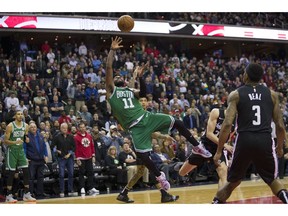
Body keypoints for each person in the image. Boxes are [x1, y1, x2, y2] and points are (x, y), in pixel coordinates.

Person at [212, 63, 288, 204]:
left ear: (246, 75)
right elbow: (280, 125)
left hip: (244, 139)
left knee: (233, 182)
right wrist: (280, 146)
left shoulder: (235, 94)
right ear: (261, 77)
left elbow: (227, 124)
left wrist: (219, 150)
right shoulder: (272, 95)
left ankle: (215, 204)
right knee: (273, 180)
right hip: (264, 139)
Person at [179, 107, 234, 189]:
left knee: (223, 174)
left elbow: (229, 137)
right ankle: (183, 166)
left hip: (218, 149)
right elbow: (209, 134)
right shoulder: (216, 112)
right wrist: (225, 145)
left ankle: (220, 200)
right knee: (182, 173)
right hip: (205, 147)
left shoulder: (236, 121)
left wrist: (228, 146)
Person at [4, 110, 36, 203]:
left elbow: (25, 137)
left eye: (21, 114)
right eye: (18, 114)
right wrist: (15, 142)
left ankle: (26, 194)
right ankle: (8, 195)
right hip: (12, 151)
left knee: (26, 171)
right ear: (15, 116)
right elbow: (5, 141)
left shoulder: (26, 126)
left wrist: (27, 140)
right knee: (11, 173)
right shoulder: (10, 126)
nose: (20, 115)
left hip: (21, 151)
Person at [24, 122, 49, 199]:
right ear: (29, 128)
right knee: (31, 178)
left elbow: (44, 146)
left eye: (34, 127)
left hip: (41, 159)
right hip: (32, 160)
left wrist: (46, 155)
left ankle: (40, 193)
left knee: (40, 177)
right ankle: (30, 193)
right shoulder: (27, 136)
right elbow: (24, 148)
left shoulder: (40, 135)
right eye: (31, 127)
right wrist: (25, 157)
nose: (33, 128)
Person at [51, 122, 77, 198]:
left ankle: (70, 190)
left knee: (71, 174)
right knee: (61, 174)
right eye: (63, 128)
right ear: (60, 129)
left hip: (70, 158)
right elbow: (52, 146)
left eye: (66, 128)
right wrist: (57, 151)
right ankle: (62, 190)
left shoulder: (71, 137)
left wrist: (69, 154)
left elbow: (74, 147)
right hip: (61, 158)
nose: (64, 129)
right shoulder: (57, 137)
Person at [74, 121, 99, 196]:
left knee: (90, 172)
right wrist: (77, 158)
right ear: (78, 128)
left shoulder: (89, 136)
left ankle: (91, 187)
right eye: (80, 127)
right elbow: (76, 148)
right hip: (81, 158)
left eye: (83, 127)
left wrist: (93, 155)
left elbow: (92, 146)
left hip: (89, 157)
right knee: (81, 173)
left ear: (85, 127)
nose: (82, 128)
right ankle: (82, 187)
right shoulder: (76, 137)